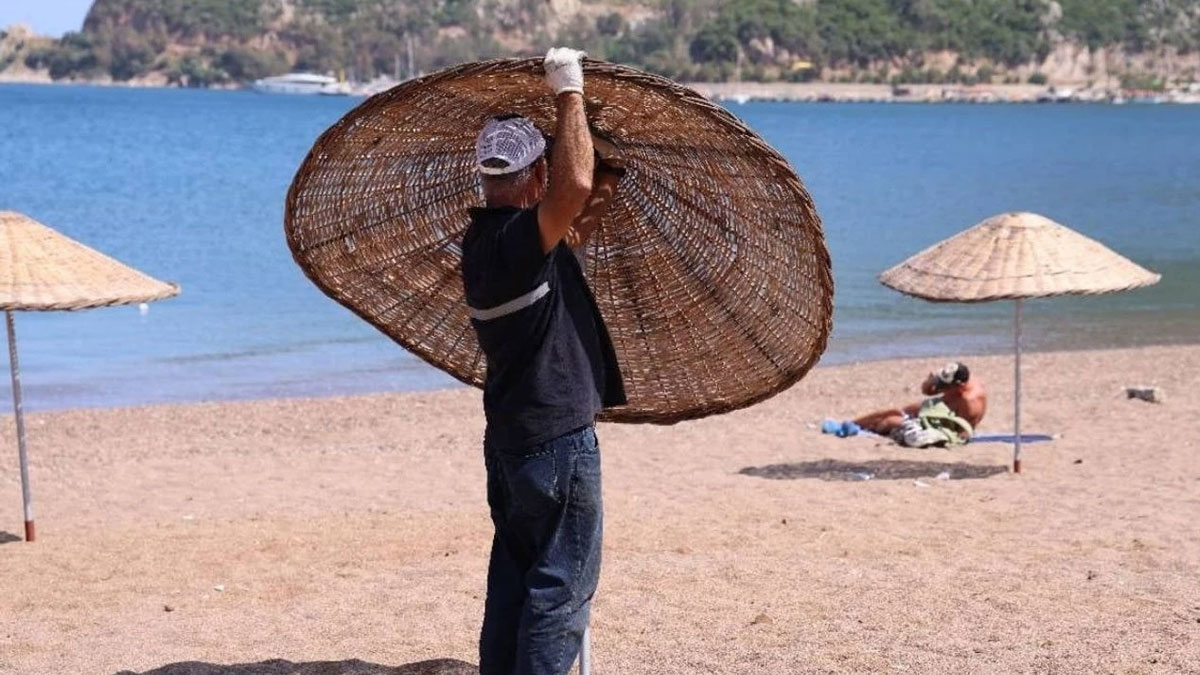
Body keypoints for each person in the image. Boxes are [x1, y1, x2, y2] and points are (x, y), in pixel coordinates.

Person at [460, 47, 627, 675]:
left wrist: (598, 184)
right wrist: (568, 89)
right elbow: (575, 186)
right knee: (560, 593)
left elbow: (582, 204)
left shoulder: (484, 243)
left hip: (509, 443)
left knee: (514, 582)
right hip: (556, 443)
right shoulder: (518, 242)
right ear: (534, 182)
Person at [852, 362, 987, 444]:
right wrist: (931, 381)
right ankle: (851, 425)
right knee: (892, 411)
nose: (943, 388)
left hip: (936, 423)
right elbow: (927, 391)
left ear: (958, 385)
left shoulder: (970, 401)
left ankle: (865, 429)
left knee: (889, 421)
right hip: (932, 411)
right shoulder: (959, 383)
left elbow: (962, 432)